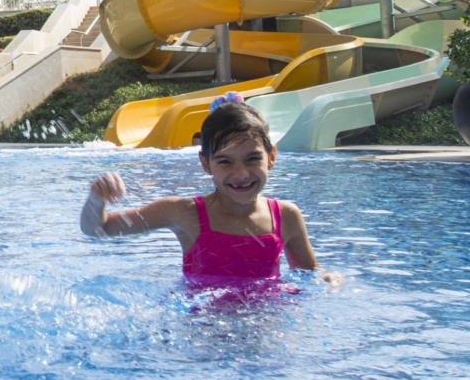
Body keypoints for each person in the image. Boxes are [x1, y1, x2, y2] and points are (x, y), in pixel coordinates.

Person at [81, 93, 337, 285]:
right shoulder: (183, 213)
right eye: (225, 162)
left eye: (252, 159)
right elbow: (98, 230)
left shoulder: (286, 217)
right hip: (202, 334)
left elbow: (309, 275)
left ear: (271, 157)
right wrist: (96, 201)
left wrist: (329, 280)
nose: (241, 174)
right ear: (206, 164)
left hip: (265, 330)